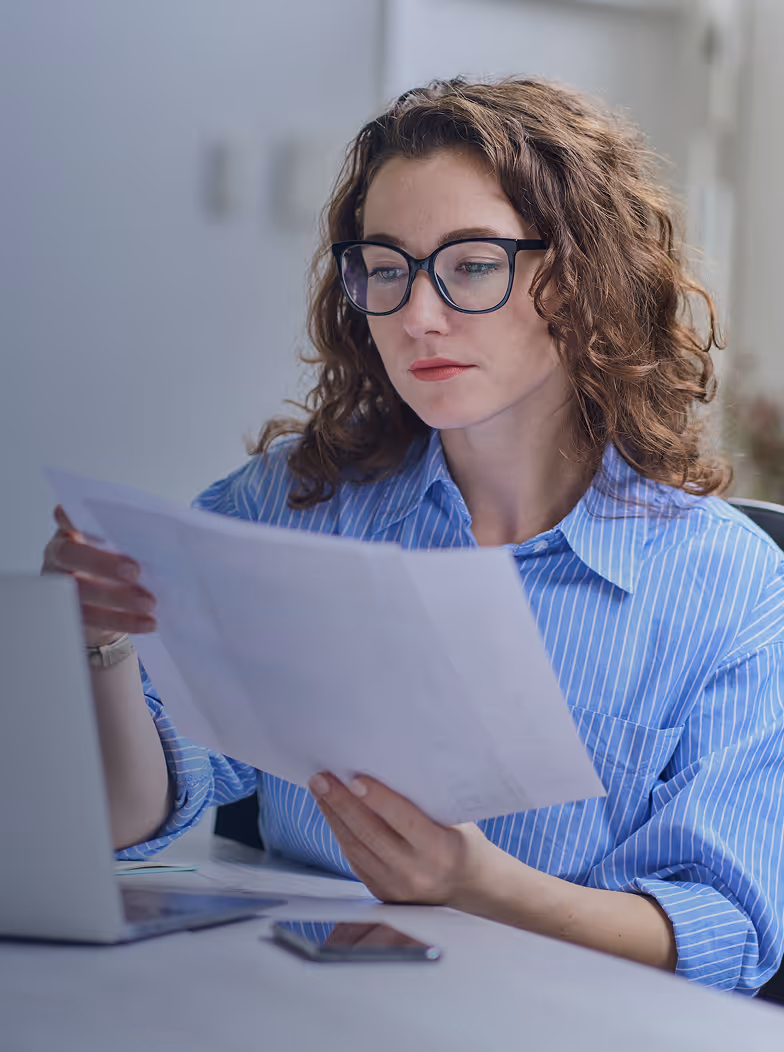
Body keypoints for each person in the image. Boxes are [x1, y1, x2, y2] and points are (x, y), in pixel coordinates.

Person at [43, 78, 784, 995]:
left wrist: (478, 887)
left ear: (583, 277)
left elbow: (725, 933)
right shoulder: (292, 503)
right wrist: (99, 644)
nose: (415, 314)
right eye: (385, 267)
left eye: (471, 264)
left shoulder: (733, 583)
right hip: (295, 1011)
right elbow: (126, 817)